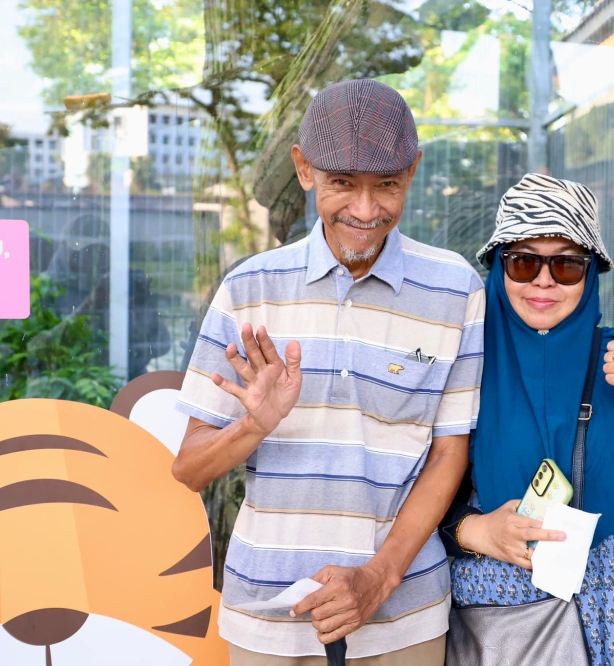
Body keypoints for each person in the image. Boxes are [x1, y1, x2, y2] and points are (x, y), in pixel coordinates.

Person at [172, 79, 485, 665]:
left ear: (412, 172)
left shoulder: (456, 288)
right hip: (266, 615)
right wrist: (253, 426)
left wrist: (378, 578)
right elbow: (188, 469)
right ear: (304, 169)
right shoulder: (248, 289)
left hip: (404, 618)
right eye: (343, 184)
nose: (365, 212)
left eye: (386, 186)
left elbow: (449, 454)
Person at [438, 173, 614, 665]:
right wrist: (475, 531)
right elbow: (411, 495)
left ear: (592, 271)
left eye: (568, 265)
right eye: (524, 261)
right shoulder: (463, 361)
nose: (544, 281)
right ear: (498, 267)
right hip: (505, 627)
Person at [44, 213, 172, 378]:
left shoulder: (118, 286)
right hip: (70, 386)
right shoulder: (48, 288)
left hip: (125, 384)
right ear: (70, 254)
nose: (98, 258)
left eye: (103, 251)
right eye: (89, 250)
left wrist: (143, 304)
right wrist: (90, 305)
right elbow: (41, 350)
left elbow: (161, 346)